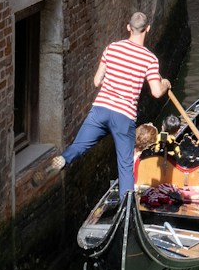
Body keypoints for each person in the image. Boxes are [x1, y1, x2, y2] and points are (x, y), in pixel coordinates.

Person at [49, 12, 168, 193]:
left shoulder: (111, 48)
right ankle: (125, 213)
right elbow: (157, 92)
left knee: (79, 145)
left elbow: (97, 81)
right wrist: (165, 83)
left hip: (101, 109)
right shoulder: (149, 59)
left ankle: (65, 159)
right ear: (148, 29)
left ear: (128, 27)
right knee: (125, 165)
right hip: (123, 115)